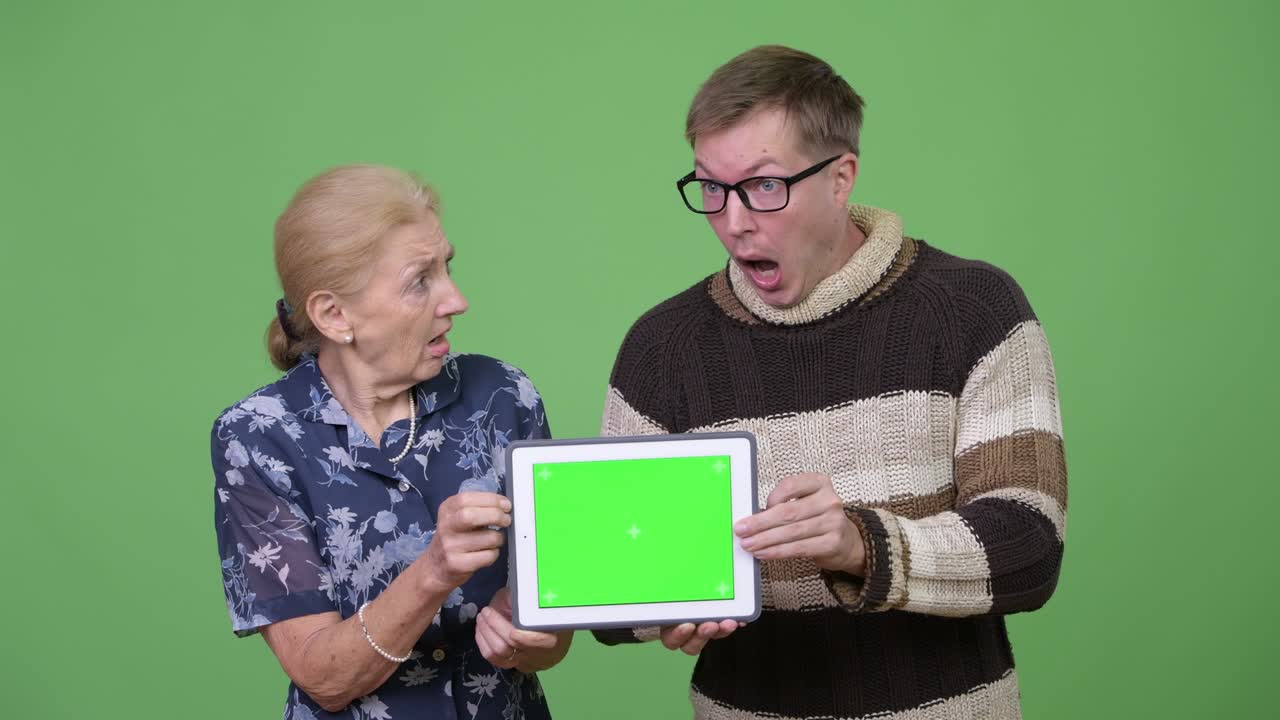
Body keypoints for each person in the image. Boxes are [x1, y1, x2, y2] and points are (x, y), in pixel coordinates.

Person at [593, 46, 1067, 720]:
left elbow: (1029, 547)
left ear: (841, 177)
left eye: (762, 186)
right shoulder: (661, 348)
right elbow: (613, 596)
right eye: (710, 187)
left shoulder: (976, 311)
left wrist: (857, 546)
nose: (732, 221)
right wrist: (663, 611)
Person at [211, 164, 571, 719]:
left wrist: (527, 635)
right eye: (419, 280)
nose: (456, 299)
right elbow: (321, 678)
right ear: (334, 314)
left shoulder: (504, 395)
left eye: (447, 267)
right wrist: (433, 573)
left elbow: (553, 636)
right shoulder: (259, 438)